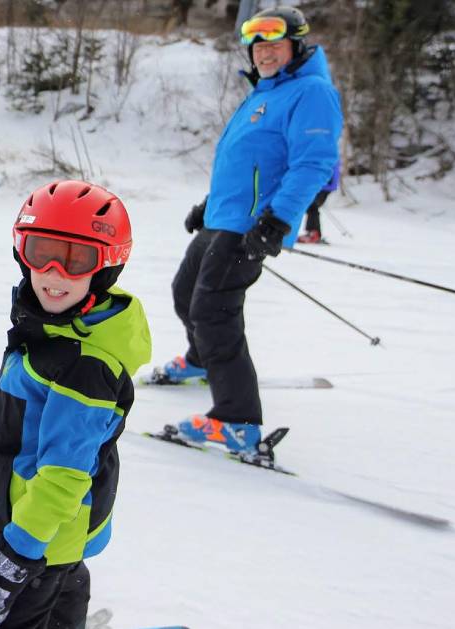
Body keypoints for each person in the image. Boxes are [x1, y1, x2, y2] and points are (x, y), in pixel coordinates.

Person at [0, 181, 151, 629]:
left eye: (77, 259)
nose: (55, 273)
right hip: (57, 538)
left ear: (106, 267)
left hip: (39, 540)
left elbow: (63, 478)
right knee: (65, 583)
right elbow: (34, 421)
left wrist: (7, 570)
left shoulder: (82, 365)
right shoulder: (56, 331)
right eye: (42, 251)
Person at [161, 6, 342, 453]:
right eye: (258, 45)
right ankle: (202, 359)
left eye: (275, 45)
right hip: (226, 216)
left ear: (296, 46)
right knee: (186, 292)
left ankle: (238, 419)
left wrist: (278, 219)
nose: (265, 53)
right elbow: (247, 163)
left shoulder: (311, 92)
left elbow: (313, 163)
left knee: (214, 310)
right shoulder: (265, 92)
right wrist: (209, 206)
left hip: (254, 224)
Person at [297, 161, 340, 243]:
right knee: (311, 206)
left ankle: (314, 233)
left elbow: (333, 178)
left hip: (325, 187)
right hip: (320, 186)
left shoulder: (331, 157)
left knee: (312, 206)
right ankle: (312, 232)